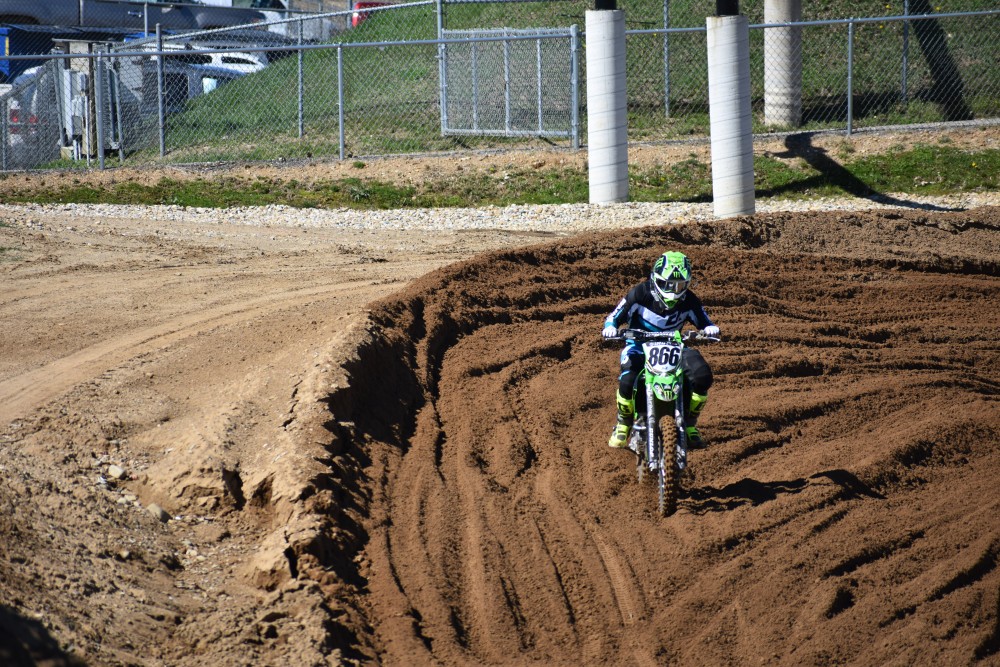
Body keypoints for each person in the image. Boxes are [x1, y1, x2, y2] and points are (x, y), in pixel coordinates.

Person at [601, 251, 719, 449]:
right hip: (638, 346)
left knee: (702, 375)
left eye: (679, 285)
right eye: (667, 284)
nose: (673, 290)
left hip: (673, 345)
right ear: (656, 279)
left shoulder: (689, 300)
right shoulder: (640, 293)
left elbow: (704, 321)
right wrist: (610, 328)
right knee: (628, 380)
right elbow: (614, 316)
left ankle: (690, 423)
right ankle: (623, 423)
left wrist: (709, 328)